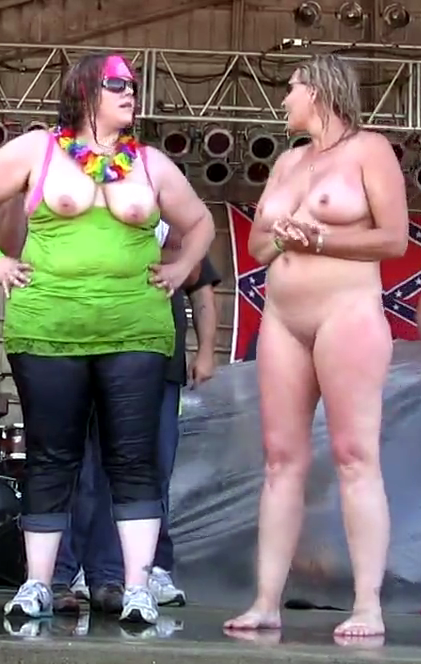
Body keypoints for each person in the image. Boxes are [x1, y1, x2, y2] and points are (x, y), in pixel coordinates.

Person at [0, 53, 215, 624]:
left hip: (135, 328)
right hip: (49, 327)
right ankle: (38, 584)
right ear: (86, 90)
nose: (131, 93)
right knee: (52, 456)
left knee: (134, 458)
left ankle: (137, 587)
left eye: (134, 85)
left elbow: (200, 222)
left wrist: (180, 269)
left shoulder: (150, 162)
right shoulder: (38, 149)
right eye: (119, 84)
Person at [224, 54, 408, 638]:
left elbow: (394, 238)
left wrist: (322, 239)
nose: (284, 99)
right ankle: (264, 602)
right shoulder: (287, 161)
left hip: (346, 313)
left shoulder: (370, 150)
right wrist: (285, 237)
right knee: (281, 460)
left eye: (291, 88)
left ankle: (367, 605)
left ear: (319, 91)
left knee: (355, 455)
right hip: (283, 317)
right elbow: (257, 246)